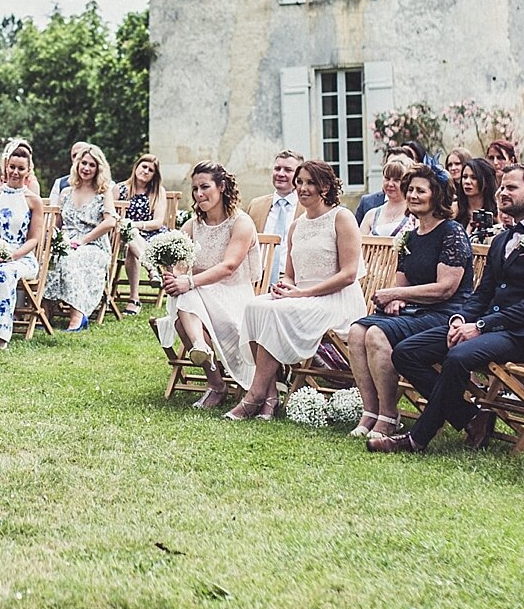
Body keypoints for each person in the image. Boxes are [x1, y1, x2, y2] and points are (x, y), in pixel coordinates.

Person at [372, 166, 524, 453]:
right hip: (487, 327)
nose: (502, 192)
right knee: (406, 352)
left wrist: (480, 327)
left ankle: (417, 439)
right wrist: (460, 319)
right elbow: (482, 294)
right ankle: (471, 416)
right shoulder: (502, 240)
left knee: (456, 357)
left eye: (511, 187)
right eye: (502, 187)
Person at [226, 160, 364, 421]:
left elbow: (348, 275)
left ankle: (254, 397)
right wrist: (286, 286)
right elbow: (290, 274)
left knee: (275, 313)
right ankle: (270, 394)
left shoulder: (341, 217)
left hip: (338, 301)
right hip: (301, 297)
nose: (302, 188)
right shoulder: (297, 225)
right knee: (255, 306)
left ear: (325, 186)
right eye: (299, 182)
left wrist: (301, 294)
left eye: (310, 182)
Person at [346, 167, 472, 442]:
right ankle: (371, 411)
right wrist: (397, 297)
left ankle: (389, 417)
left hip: (448, 314)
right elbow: (402, 285)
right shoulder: (410, 237)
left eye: (420, 191)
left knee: (378, 335)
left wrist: (395, 295)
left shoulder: (452, 232)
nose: (413, 195)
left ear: (436, 196)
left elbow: (445, 288)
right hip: (416, 311)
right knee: (357, 331)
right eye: (411, 190)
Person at [164, 162, 261, 409]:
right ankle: (205, 359)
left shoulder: (241, 222)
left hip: (234, 297)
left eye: (205, 187)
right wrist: (172, 275)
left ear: (222, 187)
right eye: (195, 188)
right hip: (201, 297)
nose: (199, 194)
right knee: (183, 305)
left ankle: (214, 380)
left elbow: (229, 266)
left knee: (183, 309)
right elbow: (179, 264)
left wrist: (189, 281)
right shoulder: (192, 225)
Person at [45, 144, 117, 330]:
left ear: (98, 168)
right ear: (77, 164)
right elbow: (57, 223)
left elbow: (110, 222)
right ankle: (45, 313)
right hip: (66, 242)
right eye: (83, 163)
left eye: (91, 165)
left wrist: (83, 241)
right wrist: (55, 238)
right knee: (50, 257)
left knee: (71, 258)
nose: (86, 168)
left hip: (93, 245)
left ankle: (78, 316)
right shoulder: (66, 192)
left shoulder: (103, 192)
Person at [0, 143, 45, 347]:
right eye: (12, 167)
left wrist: (13, 255)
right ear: (6, 167)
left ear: (28, 171)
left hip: (21, 257)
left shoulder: (33, 200)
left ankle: (1, 337)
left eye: (20, 168)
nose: (15, 172)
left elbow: (34, 239)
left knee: (5, 273)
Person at [116, 153, 171, 314]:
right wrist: (128, 227)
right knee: (129, 235)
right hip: (122, 238)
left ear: (155, 174)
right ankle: (151, 268)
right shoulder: (119, 189)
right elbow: (111, 216)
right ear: (136, 167)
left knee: (131, 237)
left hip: (151, 236)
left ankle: (134, 300)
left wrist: (135, 225)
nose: (146, 171)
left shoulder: (157, 191)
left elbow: (158, 222)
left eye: (151, 170)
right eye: (143, 167)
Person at [245, 150, 305, 288]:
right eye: (277, 168)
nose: (280, 174)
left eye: (288, 170)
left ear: (299, 176)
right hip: (257, 280)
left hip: (293, 282)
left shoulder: (307, 209)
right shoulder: (256, 205)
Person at [358, 155, 415, 238]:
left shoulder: (415, 215)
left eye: (397, 180)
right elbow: (359, 247)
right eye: (387, 178)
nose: (390, 184)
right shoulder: (371, 215)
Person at [455, 156, 500, 242]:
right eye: (464, 177)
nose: (467, 182)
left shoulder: (497, 212)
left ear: (486, 182)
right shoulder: (455, 209)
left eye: (474, 177)